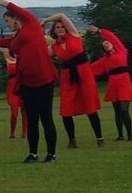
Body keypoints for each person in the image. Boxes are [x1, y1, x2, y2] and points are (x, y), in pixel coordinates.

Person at [0, 0, 58, 163]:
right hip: (27, 82)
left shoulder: (31, 23)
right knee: (32, 120)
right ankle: (33, 154)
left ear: (15, 18)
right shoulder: (16, 38)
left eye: (7, 20)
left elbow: (6, 3)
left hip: (44, 78)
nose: (6, 24)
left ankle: (51, 154)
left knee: (46, 118)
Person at [42, 13, 103, 148]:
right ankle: (72, 140)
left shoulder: (74, 35)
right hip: (68, 76)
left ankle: (99, 138)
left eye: (62, 27)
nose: (60, 29)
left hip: (84, 74)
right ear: (53, 31)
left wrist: (46, 19)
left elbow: (62, 16)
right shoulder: (54, 47)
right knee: (66, 108)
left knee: (90, 106)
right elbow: (39, 53)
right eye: (57, 27)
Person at [88, 26, 132, 141]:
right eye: (104, 45)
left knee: (124, 110)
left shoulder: (121, 51)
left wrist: (100, 31)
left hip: (124, 82)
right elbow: (90, 69)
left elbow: (112, 37)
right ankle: (120, 135)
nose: (106, 44)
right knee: (117, 110)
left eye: (107, 43)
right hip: (113, 84)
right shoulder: (105, 60)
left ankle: (129, 135)